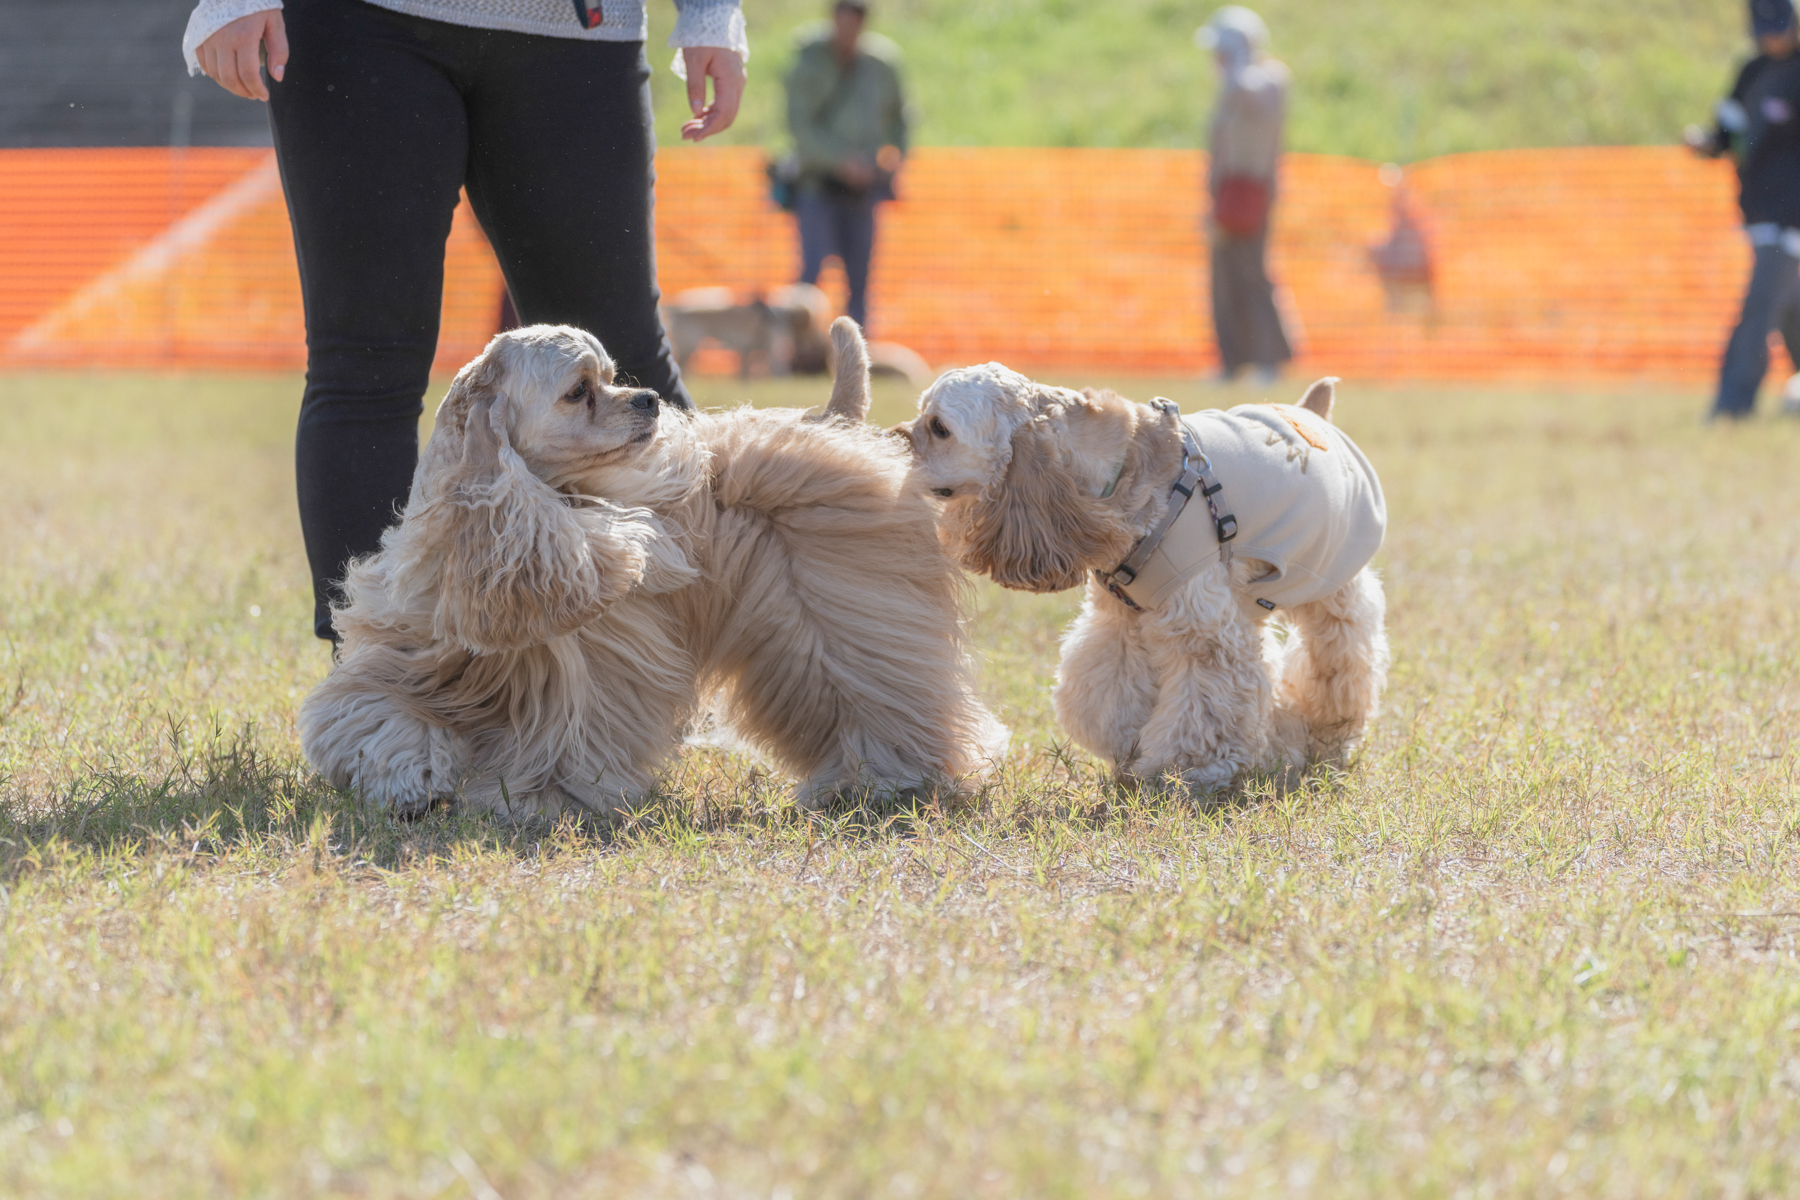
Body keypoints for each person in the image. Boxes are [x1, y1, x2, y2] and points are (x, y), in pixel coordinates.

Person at [181, 0, 747, 643]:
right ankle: (378, 685)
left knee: (621, 359)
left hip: (578, 28)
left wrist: (710, 16)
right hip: (361, 23)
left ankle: (686, 651)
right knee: (366, 362)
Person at [1687, 0, 1800, 420]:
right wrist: (1707, 143)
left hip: (1790, 217)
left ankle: (1732, 405)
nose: (1774, 36)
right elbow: (1727, 130)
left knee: (1759, 308)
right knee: (1787, 303)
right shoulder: (1752, 73)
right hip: (1756, 209)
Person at [783, 0, 909, 331]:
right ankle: (799, 351)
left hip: (863, 188)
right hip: (818, 184)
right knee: (811, 272)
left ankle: (858, 353)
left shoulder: (881, 64)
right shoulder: (810, 61)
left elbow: (900, 118)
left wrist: (893, 158)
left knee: (860, 275)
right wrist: (841, 161)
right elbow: (800, 124)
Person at [1197, 5, 1293, 385]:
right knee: (1223, 277)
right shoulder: (1229, 86)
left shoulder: (1269, 77)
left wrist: (1239, 59)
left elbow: (1252, 93)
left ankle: (1269, 360)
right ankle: (1231, 362)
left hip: (1253, 191)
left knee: (1252, 273)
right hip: (1226, 192)